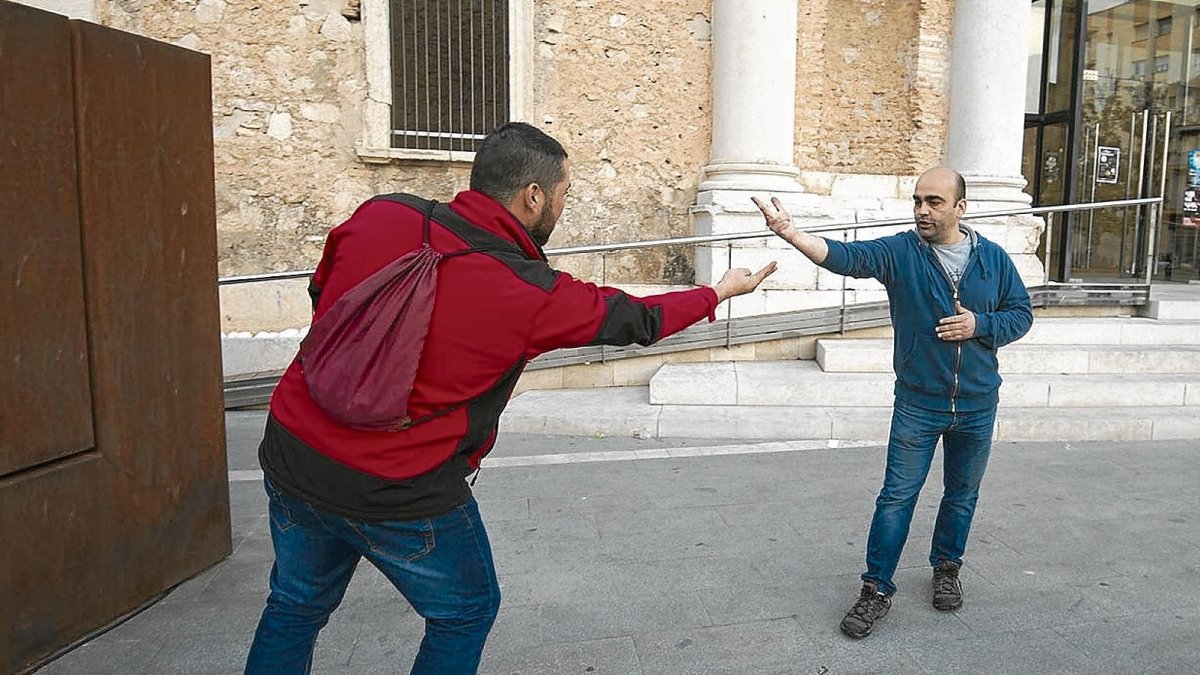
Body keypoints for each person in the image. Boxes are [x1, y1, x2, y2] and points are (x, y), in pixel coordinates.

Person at [244, 122, 776, 674]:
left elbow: (324, 295)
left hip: (293, 451)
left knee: (294, 604)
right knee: (465, 612)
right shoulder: (531, 291)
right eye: (565, 194)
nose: (564, 207)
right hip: (400, 488)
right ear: (534, 196)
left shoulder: (381, 213)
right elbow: (637, 318)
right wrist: (718, 290)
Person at [753, 167, 1033, 639]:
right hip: (918, 405)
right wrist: (791, 233)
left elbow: (1021, 314)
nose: (923, 210)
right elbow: (844, 256)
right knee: (897, 498)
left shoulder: (994, 259)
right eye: (918, 200)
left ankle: (946, 568)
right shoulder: (900, 251)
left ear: (960, 208)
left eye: (935, 202)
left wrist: (980, 326)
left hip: (978, 405)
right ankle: (876, 589)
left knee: (962, 495)